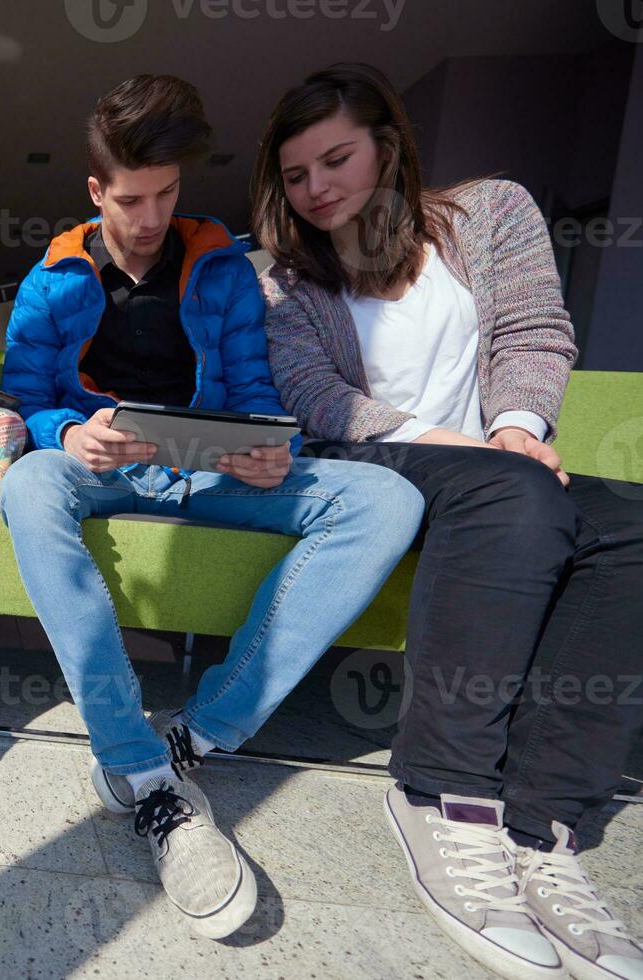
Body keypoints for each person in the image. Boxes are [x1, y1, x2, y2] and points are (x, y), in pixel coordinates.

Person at [0, 74, 425, 939]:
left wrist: (271, 450)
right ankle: (135, 765)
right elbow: (22, 396)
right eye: (129, 199)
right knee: (28, 479)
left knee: (385, 497)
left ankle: (197, 734)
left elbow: (259, 393)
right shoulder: (51, 277)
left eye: (166, 194)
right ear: (94, 191)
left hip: (207, 465)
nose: (149, 216)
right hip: (103, 462)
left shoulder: (226, 270)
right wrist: (63, 433)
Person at [255, 62, 643, 980]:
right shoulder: (278, 276)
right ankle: (443, 795)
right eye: (296, 174)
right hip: (370, 460)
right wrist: (465, 452)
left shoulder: (490, 214)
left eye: (335, 159)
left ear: (388, 147)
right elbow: (313, 394)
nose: (315, 190)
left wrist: (513, 430)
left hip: (494, 467)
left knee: (627, 527)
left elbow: (533, 334)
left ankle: (543, 826)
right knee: (511, 493)